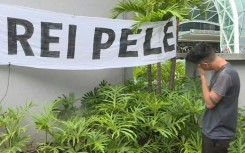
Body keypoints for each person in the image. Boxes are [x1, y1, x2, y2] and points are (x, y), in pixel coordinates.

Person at [186, 42, 240, 153]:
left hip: (218, 135)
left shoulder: (225, 75)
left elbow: (210, 103)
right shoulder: (220, 71)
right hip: (214, 132)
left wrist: (202, 76)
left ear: (204, 64)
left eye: (198, 66)